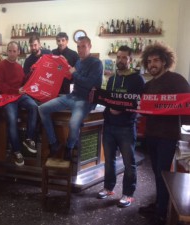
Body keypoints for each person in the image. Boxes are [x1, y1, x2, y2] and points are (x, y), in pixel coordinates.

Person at [138, 43, 190, 225]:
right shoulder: (148, 85)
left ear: (165, 61)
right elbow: (143, 109)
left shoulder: (177, 80)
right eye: (150, 61)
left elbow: (187, 106)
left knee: (162, 173)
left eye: (157, 60)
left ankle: (161, 212)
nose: (152, 64)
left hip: (168, 136)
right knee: (156, 172)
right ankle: (159, 203)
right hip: (151, 134)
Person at [38, 36, 103, 160]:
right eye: (78, 46)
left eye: (83, 46)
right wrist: (64, 65)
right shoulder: (78, 61)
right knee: (42, 109)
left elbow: (89, 83)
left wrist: (74, 73)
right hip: (72, 96)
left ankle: (69, 147)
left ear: (90, 46)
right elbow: (73, 78)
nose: (80, 49)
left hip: (85, 100)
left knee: (73, 124)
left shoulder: (96, 63)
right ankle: (54, 143)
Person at [97, 46, 145, 208]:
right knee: (108, 161)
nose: (120, 60)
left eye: (124, 57)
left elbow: (138, 103)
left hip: (126, 127)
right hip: (110, 125)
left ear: (130, 60)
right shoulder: (112, 79)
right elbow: (108, 99)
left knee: (129, 162)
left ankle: (128, 194)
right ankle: (109, 188)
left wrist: (121, 110)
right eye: (118, 57)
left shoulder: (138, 80)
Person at [0, 41, 38, 166]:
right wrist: (15, 90)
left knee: (34, 107)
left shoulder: (19, 66)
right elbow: (0, 85)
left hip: (19, 96)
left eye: (15, 51)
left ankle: (29, 139)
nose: (12, 53)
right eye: (10, 51)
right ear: (7, 51)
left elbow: (23, 81)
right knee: (12, 119)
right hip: (8, 97)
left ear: (18, 52)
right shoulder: (1, 65)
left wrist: (31, 73)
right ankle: (16, 151)